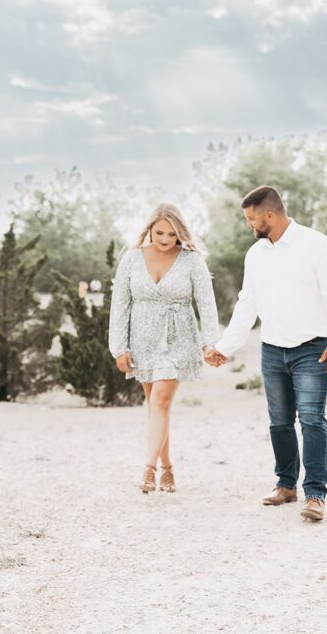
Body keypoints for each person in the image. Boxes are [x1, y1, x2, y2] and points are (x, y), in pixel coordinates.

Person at [205, 185, 327, 522]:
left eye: (251, 218)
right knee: (280, 421)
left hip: (314, 347)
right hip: (272, 349)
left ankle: (315, 495)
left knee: (312, 419)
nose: (249, 225)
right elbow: (247, 305)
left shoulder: (317, 246)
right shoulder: (255, 255)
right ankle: (286, 486)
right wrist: (224, 347)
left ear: (269, 215)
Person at [108, 203, 220, 494]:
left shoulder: (192, 260)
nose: (165, 239)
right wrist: (119, 347)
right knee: (155, 406)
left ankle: (148, 469)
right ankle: (168, 467)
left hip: (178, 339)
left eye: (172, 234)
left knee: (161, 401)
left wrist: (210, 343)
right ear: (149, 230)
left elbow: (206, 305)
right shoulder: (132, 260)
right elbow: (119, 304)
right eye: (159, 233)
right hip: (142, 339)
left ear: (180, 234)